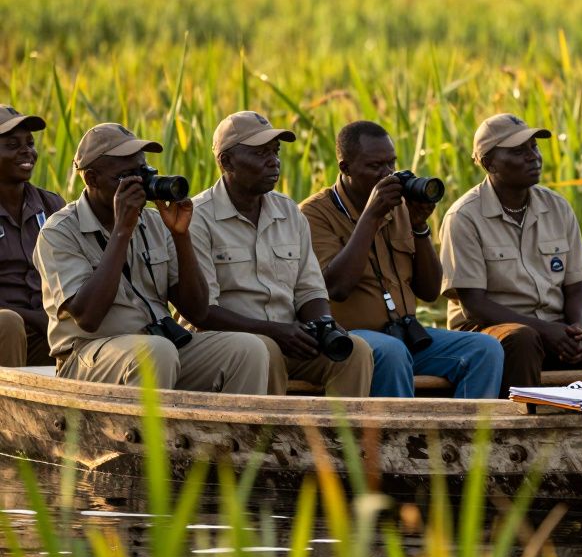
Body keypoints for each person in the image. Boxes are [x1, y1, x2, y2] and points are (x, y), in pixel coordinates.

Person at [33, 123, 268, 392]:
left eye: (143, 172)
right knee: (154, 353)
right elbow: (88, 317)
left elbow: (198, 311)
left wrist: (181, 236)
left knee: (249, 349)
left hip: (158, 345)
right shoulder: (59, 232)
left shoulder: (154, 223)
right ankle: (148, 435)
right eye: (126, 176)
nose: (140, 184)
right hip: (88, 355)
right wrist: (122, 230)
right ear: (92, 179)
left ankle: (231, 434)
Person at [438, 114, 582, 397]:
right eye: (518, 151)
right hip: (492, 334)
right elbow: (474, 305)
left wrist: (579, 327)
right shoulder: (464, 216)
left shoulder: (557, 207)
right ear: (489, 163)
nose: (533, 157)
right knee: (523, 339)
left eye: (534, 147)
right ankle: (525, 423)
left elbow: (577, 289)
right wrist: (544, 331)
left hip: (552, 330)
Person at [301, 121, 503, 398]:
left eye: (391, 164)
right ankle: (398, 440)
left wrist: (419, 226)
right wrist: (370, 217)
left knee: (485, 349)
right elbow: (336, 287)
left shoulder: (399, 208)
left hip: (406, 332)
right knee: (391, 352)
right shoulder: (314, 215)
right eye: (375, 167)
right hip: (353, 340)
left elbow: (430, 292)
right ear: (345, 168)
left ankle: (467, 439)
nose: (387, 175)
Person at [187, 112, 373, 396]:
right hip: (230, 344)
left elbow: (310, 289)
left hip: (288, 339)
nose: (273, 161)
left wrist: (324, 324)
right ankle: (267, 440)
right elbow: (203, 312)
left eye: (275, 152)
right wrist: (274, 332)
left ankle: (342, 439)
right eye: (260, 153)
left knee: (354, 350)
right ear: (226, 161)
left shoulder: (288, 211)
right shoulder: (197, 218)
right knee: (264, 349)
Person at [0, 106, 65, 367]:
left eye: (30, 143)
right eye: (12, 144)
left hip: (45, 329)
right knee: (8, 323)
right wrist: (33, 317)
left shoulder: (52, 206)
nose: (27, 151)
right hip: (8, 326)